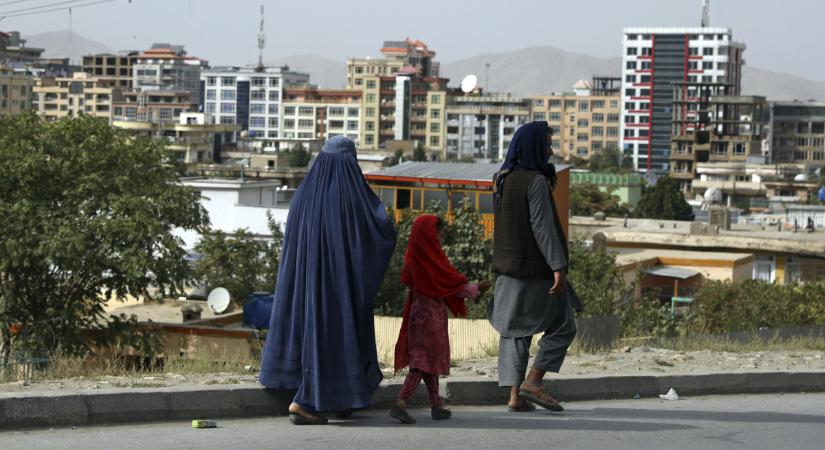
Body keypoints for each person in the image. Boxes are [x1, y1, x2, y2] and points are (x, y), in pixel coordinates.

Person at [259, 136, 397, 425]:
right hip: (335, 287)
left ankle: (341, 398)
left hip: (302, 287)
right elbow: (376, 232)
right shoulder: (349, 196)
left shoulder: (303, 194)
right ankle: (304, 400)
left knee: (314, 333)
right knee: (332, 335)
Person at [488, 121, 582, 413]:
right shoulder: (535, 181)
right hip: (534, 271)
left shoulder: (501, 177)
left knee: (515, 332)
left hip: (506, 269)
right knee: (564, 325)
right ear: (534, 146)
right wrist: (558, 266)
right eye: (547, 143)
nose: (550, 150)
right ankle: (534, 381)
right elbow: (542, 227)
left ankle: (515, 396)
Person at [390, 215, 491, 424]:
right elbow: (452, 287)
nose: (441, 236)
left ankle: (436, 405)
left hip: (417, 313)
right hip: (432, 317)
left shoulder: (414, 257)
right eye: (439, 232)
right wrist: (477, 289)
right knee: (421, 362)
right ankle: (400, 402)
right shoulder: (433, 260)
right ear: (430, 233)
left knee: (429, 361)